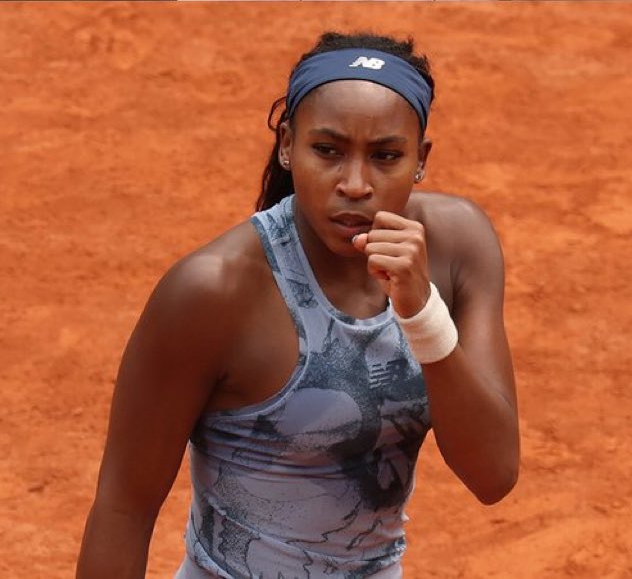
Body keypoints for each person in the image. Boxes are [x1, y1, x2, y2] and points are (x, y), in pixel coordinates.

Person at [75, 30, 520, 579]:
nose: (355, 184)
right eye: (327, 151)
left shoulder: (458, 245)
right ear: (287, 145)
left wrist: (421, 312)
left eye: (386, 156)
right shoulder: (213, 291)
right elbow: (124, 506)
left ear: (420, 158)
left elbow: (494, 474)